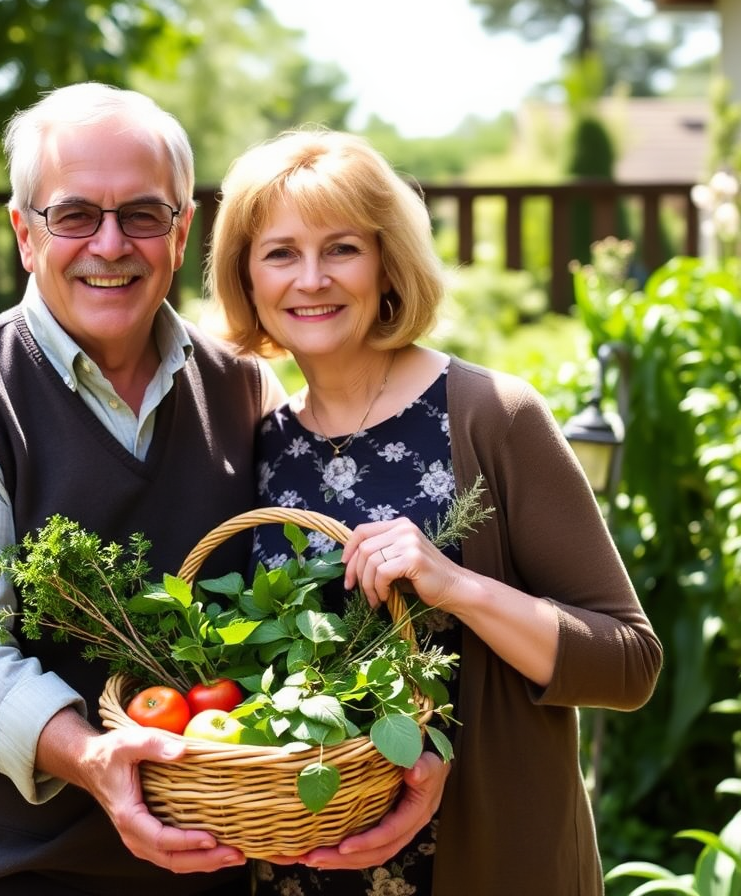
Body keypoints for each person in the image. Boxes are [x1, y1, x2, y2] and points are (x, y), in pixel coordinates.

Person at [0, 84, 447, 896]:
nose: (110, 245)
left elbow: (315, 607)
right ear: (23, 233)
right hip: (28, 870)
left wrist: (401, 740)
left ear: (182, 232)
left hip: (225, 865)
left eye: (144, 216)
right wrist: (95, 759)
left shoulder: (242, 388)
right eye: (75, 215)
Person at [207, 128, 663, 896]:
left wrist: (457, 586)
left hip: (480, 862)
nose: (311, 279)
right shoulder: (262, 442)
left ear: (387, 263)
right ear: (246, 278)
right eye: (281, 252)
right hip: (301, 872)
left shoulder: (490, 415)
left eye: (342, 248)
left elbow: (629, 662)